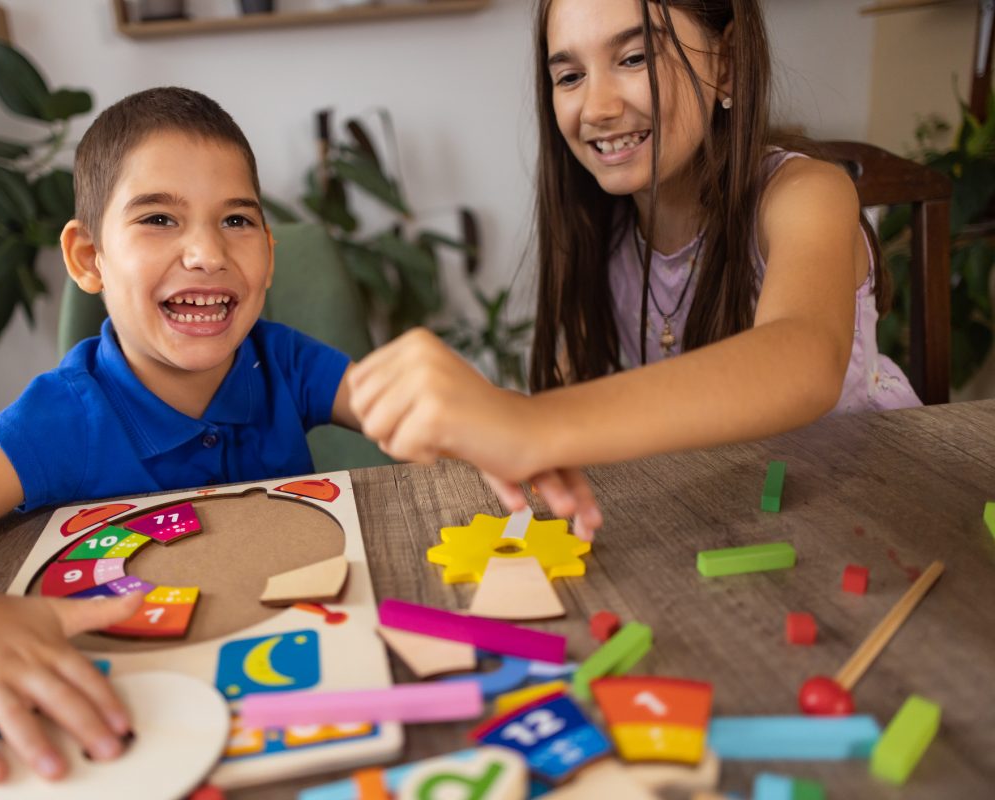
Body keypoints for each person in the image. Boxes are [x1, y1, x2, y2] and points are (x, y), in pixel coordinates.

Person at [0, 87, 361, 783]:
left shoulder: (284, 360)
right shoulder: (64, 420)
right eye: (159, 217)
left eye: (236, 220)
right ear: (89, 258)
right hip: (121, 713)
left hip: (290, 687)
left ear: (268, 258)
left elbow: (417, 412)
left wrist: (454, 407)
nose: (208, 252)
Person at [348, 0, 919, 541]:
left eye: (634, 57)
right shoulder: (600, 232)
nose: (596, 108)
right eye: (569, 76)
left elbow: (803, 358)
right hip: (725, 515)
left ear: (727, 63)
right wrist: (490, 432)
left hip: (875, 506)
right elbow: (576, 401)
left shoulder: (805, 193)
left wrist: (536, 422)